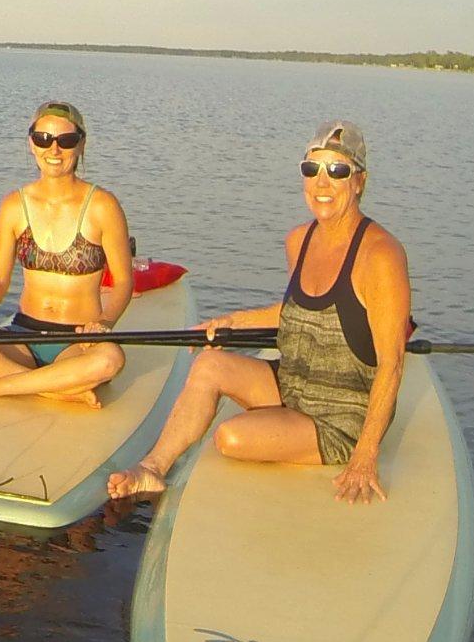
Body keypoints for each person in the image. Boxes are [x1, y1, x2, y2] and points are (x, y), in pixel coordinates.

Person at [108, 122, 409, 504]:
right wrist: (231, 321)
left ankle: (332, 445)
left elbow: (392, 363)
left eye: (337, 171)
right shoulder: (299, 240)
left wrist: (366, 455)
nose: (322, 182)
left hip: (341, 418)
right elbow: (299, 312)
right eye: (311, 169)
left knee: (230, 437)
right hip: (293, 386)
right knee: (208, 366)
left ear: (359, 181)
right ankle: (152, 469)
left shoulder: (380, 255)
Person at [0, 101, 132, 407]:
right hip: (22, 333)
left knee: (110, 359)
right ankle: (55, 388)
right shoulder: (14, 205)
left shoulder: (103, 205)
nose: (54, 150)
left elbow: (124, 283)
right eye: (43, 139)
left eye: (66, 141)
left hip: (77, 341)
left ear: (81, 145)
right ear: (31, 144)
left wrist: (104, 322)